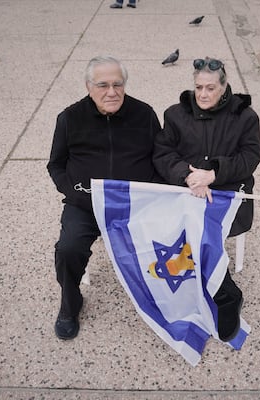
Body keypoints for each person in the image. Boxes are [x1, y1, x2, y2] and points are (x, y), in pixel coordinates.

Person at [47, 55, 161, 340]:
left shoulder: (144, 114)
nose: (112, 92)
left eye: (117, 84)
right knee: (68, 249)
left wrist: (153, 193)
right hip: (87, 204)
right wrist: (73, 191)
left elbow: (160, 159)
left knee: (168, 241)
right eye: (103, 85)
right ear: (88, 86)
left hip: (134, 204)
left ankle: (161, 300)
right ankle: (70, 306)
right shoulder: (69, 118)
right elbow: (56, 165)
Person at [152, 57, 260, 341]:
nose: (203, 94)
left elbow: (250, 158)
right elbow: (163, 154)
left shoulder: (245, 117)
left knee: (199, 228)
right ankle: (220, 289)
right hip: (185, 191)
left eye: (210, 88)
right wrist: (187, 177)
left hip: (227, 194)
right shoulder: (175, 114)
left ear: (224, 88)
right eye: (199, 87)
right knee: (171, 227)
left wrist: (213, 174)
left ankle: (226, 296)